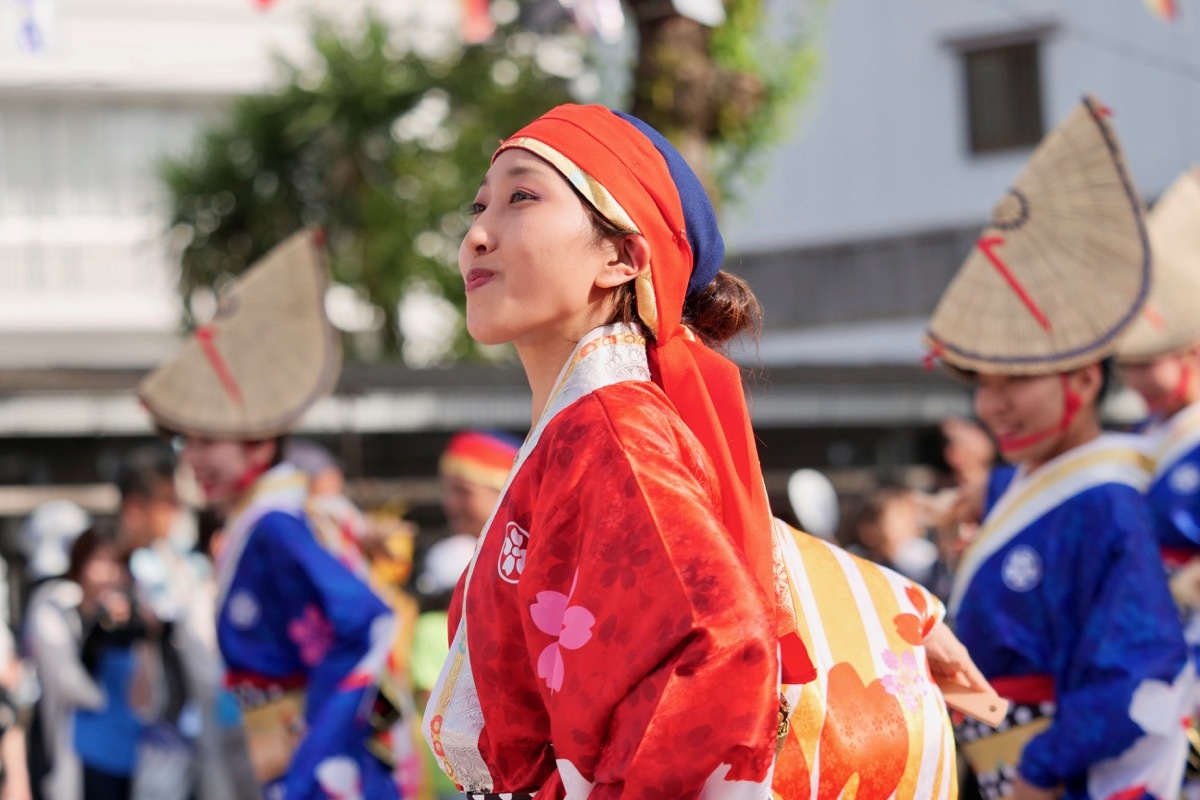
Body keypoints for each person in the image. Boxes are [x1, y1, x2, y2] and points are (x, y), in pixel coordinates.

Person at [422, 103, 815, 798]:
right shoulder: (599, 429)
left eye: (521, 197)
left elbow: (719, 643)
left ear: (621, 256)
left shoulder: (610, 429)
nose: (476, 235)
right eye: (479, 206)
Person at [925, 96, 1194, 799]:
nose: (994, 404)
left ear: (1081, 377)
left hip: (1061, 776)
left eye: (1016, 379)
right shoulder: (1020, 486)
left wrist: (1041, 773)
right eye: (983, 383)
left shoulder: (1111, 502)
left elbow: (1136, 662)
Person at [137, 231, 404, 799]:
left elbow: (368, 622)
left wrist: (314, 761)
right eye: (188, 441)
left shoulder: (275, 527)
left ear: (258, 445)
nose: (193, 458)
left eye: (209, 440)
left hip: (318, 771)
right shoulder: (263, 525)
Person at [20, 501, 91, 800]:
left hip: (81, 724)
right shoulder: (50, 599)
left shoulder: (63, 596)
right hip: (61, 716)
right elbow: (67, 679)